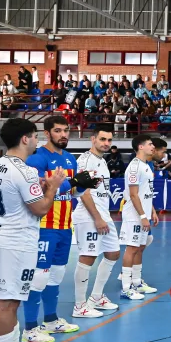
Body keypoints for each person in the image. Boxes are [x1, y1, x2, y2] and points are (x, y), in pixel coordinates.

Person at [0, 118, 68, 342]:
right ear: (25, 139)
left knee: (11, 300)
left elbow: (16, 195)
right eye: (34, 136)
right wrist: (52, 187)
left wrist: (41, 188)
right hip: (16, 242)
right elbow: (41, 209)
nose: (36, 141)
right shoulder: (25, 171)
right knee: (7, 303)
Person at [22, 115, 81, 342]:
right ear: (47, 133)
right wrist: (71, 183)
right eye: (58, 130)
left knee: (56, 275)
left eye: (66, 130)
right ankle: (29, 329)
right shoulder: (37, 158)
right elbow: (39, 187)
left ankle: (50, 320)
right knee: (39, 277)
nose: (63, 134)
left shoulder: (70, 159)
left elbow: (70, 192)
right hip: (45, 226)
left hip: (65, 226)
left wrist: (82, 185)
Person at [70, 125, 122, 318]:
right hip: (88, 215)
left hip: (103, 213)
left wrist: (103, 216)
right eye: (102, 139)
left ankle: (96, 297)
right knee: (88, 256)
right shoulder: (85, 160)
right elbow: (83, 192)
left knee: (113, 253)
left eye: (109, 140)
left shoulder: (102, 161)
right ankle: (79, 306)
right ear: (93, 139)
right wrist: (97, 218)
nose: (106, 143)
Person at [118, 135, 158, 301]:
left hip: (144, 213)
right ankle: (126, 288)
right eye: (150, 144)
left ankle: (137, 282)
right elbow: (133, 195)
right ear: (140, 147)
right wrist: (142, 216)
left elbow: (146, 192)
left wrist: (152, 211)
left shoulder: (146, 165)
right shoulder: (134, 167)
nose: (153, 147)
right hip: (133, 215)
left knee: (140, 247)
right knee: (132, 248)